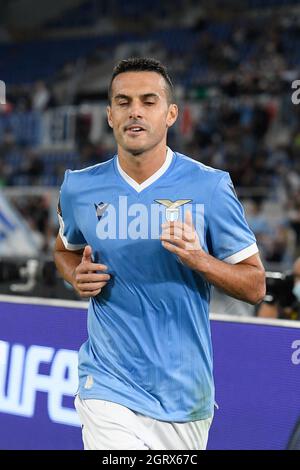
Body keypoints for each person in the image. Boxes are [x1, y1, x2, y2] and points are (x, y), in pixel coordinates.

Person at [53, 57, 265, 450]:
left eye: (148, 101)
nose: (135, 110)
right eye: (123, 101)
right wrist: (73, 274)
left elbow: (255, 286)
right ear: (109, 115)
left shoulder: (211, 187)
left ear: (170, 115)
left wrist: (199, 259)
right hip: (106, 381)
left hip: (184, 395)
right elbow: (64, 248)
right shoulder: (79, 188)